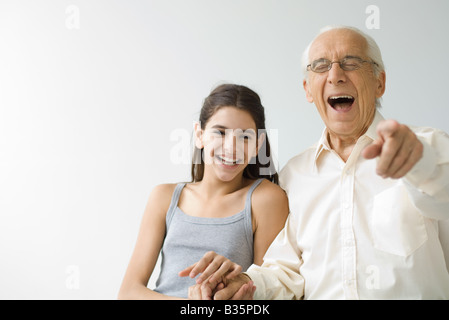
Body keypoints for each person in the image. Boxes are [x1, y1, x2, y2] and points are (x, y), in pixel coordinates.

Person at [190, 25, 449, 300]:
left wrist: (418, 161)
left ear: (379, 82)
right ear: (308, 89)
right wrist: (244, 284)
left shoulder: (426, 146)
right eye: (321, 66)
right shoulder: (295, 174)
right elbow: (286, 271)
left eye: (351, 62)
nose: (335, 76)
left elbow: (441, 190)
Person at [117, 84, 289, 299]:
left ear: (258, 145)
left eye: (245, 136)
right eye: (220, 132)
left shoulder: (265, 199)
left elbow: (270, 288)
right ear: (199, 135)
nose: (230, 147)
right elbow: (128, 293)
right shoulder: (164, 197)